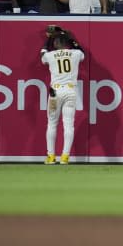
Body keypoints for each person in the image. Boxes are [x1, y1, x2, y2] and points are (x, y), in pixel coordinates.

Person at [41, 26, 85, 165]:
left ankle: (51, 157)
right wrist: (70, 37)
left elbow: (42, 55)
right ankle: (65, 157)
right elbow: (81, 51)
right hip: (70, 92)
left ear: (54, 44)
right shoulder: (75, 53)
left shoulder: (50, 55)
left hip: (55, 93)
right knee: (69, 125)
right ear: (66, 43)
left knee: (52, 123)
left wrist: (49, 39)